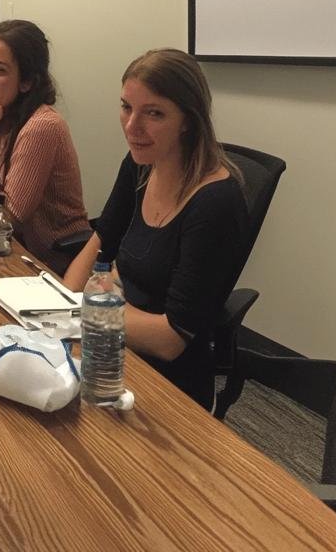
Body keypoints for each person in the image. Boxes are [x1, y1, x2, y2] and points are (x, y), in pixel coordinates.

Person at [62, 48, 248, 409]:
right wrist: (62, 302)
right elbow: (101, 241)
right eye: (126, 107)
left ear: (188, 120)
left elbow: (170, 338)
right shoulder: (140, 166)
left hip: (170, 386)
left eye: (154, 113)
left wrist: (81, 310)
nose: (132, 127)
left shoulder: (216, 203)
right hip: (112, 344)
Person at [0, 20, 89, 273]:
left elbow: (0, 221)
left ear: (27, 82)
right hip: (8, 256)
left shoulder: (42, 125)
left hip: (50, 266)